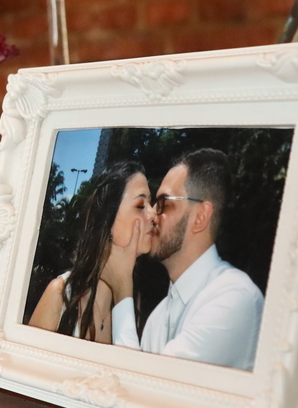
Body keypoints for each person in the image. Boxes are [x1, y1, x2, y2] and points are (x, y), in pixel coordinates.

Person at [104, 148, 264, 371]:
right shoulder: (157, 319)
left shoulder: (234, 299)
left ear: (200, 217)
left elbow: (144, 385)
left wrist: (122, 288)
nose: (152, 214)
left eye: (163, 203)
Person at [28, 161, 155, 342]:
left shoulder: (133, 301)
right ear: (108, 217)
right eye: (141, 205)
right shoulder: (61, 296)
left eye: (151, 203)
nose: (153, 214)